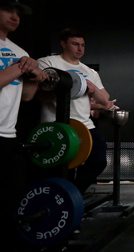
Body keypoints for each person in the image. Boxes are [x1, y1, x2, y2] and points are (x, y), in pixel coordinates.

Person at [37, 28, 117, 194]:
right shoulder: (47, 62)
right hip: (55, 124)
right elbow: (41, 92)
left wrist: (93, 89)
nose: (80, 48)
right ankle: (57, 199)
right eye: (75, 44)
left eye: (82, 45)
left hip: (84, 125)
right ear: (63, 44)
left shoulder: (90, 72)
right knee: (56, 168)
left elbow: (105, 98)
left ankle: (72, 195)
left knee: (98, 161)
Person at [0, 0, 48, 246]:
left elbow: (27, 96)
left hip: (8, 135)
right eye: (8, 10)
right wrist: (21, 67)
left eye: (18, 12)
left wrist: (34, 75)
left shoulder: (20, 52)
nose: (15, 16)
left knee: (11, 201)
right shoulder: (20, 58)